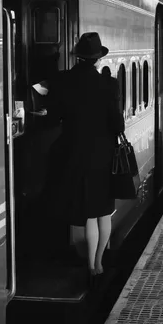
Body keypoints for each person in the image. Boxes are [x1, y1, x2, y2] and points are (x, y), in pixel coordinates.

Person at [47, 32, 124, 285]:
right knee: (104, 213)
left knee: (89, 213)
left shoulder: (64, 81)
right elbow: (118, 125)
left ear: (78, 56)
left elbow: (54, 115)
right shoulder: (109, 84)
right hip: (104, 157)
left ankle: (90, 264)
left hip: (75, 155)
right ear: (97, 58)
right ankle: (100, 262)